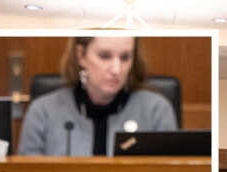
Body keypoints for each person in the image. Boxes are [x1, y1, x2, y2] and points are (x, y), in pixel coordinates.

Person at [17, 36, 178, 157]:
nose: (116, 69)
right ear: (81, 55)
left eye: (125, 57)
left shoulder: (156, 110)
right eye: (105, 56)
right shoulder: (43, 111)